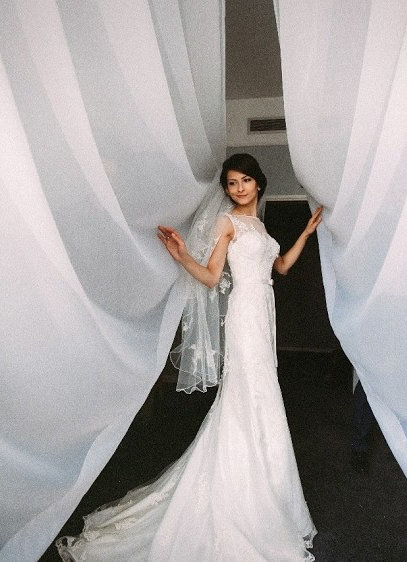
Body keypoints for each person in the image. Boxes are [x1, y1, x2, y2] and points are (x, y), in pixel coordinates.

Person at [56, 153, 323, 561]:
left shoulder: (260, 224)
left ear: (258, 182)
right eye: (231, 183)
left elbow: (282, 266)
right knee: (251, 395)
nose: (238, 188)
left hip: (263, 316)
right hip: (245, 317)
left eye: (245, 180)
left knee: (264, 394)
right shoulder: (227, 223)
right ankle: (244, 498)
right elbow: (213, 277)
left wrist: (305, 232)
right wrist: (182, 256)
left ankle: (266, 491)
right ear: (227, 189)